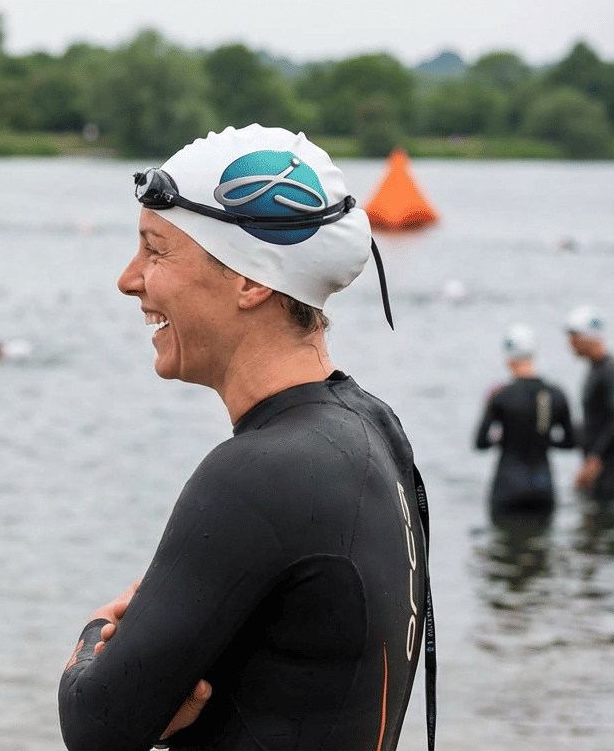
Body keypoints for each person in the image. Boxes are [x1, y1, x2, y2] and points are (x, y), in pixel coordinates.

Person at [58, 125, 434, 751]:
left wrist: (97, 632)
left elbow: (96, 726)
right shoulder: (372, 427)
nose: (128, 279)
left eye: (155, 251)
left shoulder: (261, 473)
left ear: (251, 279)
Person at [474, 323, 576, 513]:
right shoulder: (556, 394)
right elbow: (570, 442)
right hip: (543, 485)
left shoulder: (500, 395)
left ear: (508, 359)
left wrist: (501, 438)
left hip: (508, 485)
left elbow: (480, 443)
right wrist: (544, 439)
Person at [566, 305, 614, 500]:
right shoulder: (597, 369)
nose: (570, 345)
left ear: (588, 338)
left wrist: (596, 458)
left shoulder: (608, 372)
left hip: (607, 467)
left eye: (574, 338)